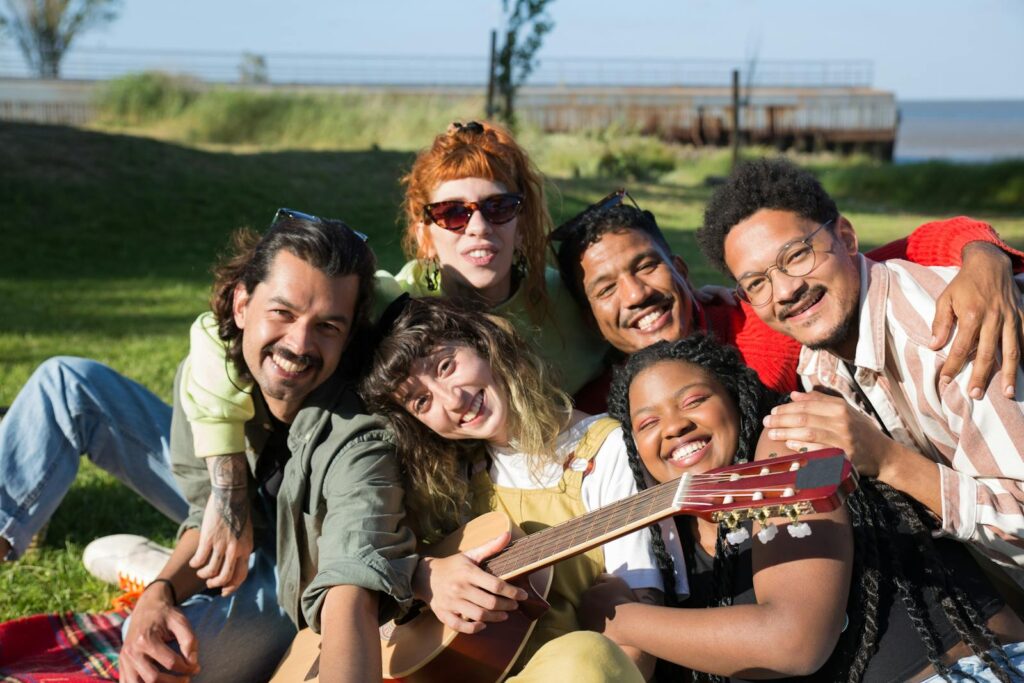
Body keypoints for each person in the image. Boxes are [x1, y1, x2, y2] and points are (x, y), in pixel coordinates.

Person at [178, 121, 609, 593]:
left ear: (522, 219)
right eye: (451, 214)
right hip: (300, 483)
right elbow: (214, 334)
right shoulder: (397, 302)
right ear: (425, 232)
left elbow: (642, 304)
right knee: (82, 389)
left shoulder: (568, 299)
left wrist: (697, 300)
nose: (479, 228)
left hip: (522, 511)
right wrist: (228, 494)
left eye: (499, 207)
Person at [0, 215, 418, 682]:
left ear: (349, 336)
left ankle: (154, 570)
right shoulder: (209, 370)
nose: (299, 344)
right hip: (233, 516)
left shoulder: (355, 434)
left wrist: (162, 598)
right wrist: (161, 592)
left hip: (289, 572)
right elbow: (209, 510)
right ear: (242, 304)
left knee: (164, 666)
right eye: (282, 312)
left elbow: (349, 586)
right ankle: (155, 572)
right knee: (66, 382)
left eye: (327, 326)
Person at [581, 334, 1024, 681]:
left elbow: (793, 640)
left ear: (736, 399)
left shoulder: (788, 444)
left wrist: (620, 617)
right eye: (648, 422)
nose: (675, 425)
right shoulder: (670, 550)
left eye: (695, 401)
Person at [697, 158, 1024, 576]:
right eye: (758, 283)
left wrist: (889, 462)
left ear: (847, 237)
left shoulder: (951, 329)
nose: (785, 291)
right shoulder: (818, 360)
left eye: (797, 255)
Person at [359, 297, 686, 682]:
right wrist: (423, 577)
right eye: (422, 400)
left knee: (583, 655)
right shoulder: (455, 481)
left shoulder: (604, 450)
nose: (453, 399)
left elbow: (638, 644)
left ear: (484, 343)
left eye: (446, 366)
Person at [553, 190, 1024, 413]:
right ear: (590, 315)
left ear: (680, 267)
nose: (636, 295)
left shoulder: (770, 317)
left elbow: (906, 248)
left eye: (645, 266)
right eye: (606, 288)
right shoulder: (599, 408)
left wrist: (984, 258)